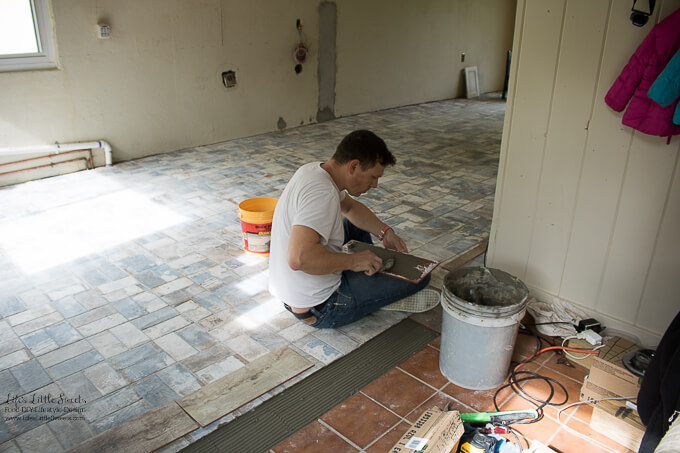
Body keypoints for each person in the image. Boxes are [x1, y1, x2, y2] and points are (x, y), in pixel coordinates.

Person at [268, 129, 437, 328]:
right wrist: (353, 261)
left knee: (351, 225)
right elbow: (299, 259)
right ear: (354, 166)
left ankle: (367, 280)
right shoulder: (323, 194)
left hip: (293, 290)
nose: (375, 185)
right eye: (373, 177)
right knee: (422, 277)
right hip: (321, 306)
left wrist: (384, 231)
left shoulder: (315, 171)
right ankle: (375, 300)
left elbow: (350, 207)